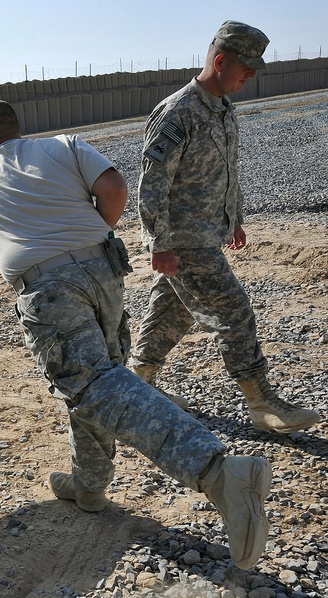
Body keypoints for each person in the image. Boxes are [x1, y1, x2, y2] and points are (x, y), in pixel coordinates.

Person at [0, 100, 271, 569]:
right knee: (97, 384)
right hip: (104, 269)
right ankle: (88, 485)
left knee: (92, 385)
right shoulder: (63, 146)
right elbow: (113, 187)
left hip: (48, 288)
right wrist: (92, 231)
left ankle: (217, 470)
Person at [130, 20, 322, 434]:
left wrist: (232, 218)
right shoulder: (178, 111)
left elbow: (225, 170)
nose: (251, 76)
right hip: (183, 241)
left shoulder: (220, 106)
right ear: (220, 61)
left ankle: (136, 385)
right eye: (246, 69)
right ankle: (261, 401)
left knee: (172, 312)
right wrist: (158, 242)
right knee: (233, 312)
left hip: (204, 233)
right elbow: (151, 184)